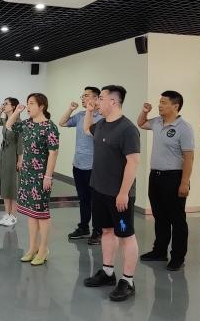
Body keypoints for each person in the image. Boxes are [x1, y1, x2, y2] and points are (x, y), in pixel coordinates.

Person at [82, 85, 141, 302]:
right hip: (100, 190)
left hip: (119, 196)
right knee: (106, 231)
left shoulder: (127, 129)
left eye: (101, 98)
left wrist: (124, 193)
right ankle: (108, 272)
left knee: (125, 236)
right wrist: (89, 111)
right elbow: (87, 129)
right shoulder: (101, 124)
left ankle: (128, 281)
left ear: (113, 102)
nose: (97, 101)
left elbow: (133, 162)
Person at [137, 91, 194, 271]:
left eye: (163, 102)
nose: (159, 105)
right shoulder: (157, 122)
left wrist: (184, 182)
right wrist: (145, 111)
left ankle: (178, 256)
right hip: (156, 176)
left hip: (174, 178)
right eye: (159, 102)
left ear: (175, 106)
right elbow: (141, 123)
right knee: (160, 216)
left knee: (177, 219)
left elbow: (189, 157)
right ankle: (159, 251)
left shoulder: (184, 128)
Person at [6, 93, 59, 265]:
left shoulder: (49, 127)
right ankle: (32, 247)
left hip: (41, 176)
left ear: (41, 106)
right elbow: (8, 125)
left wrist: (48, 176)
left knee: (42, 214)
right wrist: (17, 111)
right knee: (31, 213)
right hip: (27, 174)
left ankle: (43, 249)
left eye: (32, 103)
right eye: (28, 103)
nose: (28, 107)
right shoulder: (27, 124)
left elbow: (53, 153)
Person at [58, 86, 103, 245]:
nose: (83, 98)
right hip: (78, 165)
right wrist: (70, 109)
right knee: (83, 199)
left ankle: (98, 231)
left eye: (86, 95)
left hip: (94, 167)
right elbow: (62, 122)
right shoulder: (80, 115)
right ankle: (84, 227)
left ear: (96, 98)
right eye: (82, 96)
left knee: (96, 201)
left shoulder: (102, 118)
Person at [0, 97, 24, 226]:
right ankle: (7, 213)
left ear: (13, 107)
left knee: (12, 185)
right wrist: (0, 110)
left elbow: (20, 143)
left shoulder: (18, 122)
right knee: (5, 184)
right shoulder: (6, 120)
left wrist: (20, 160)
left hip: (13, 155)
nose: (4, 105)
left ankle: (13, 215)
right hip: (4, 154)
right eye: (3, 103)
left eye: (6, 104)